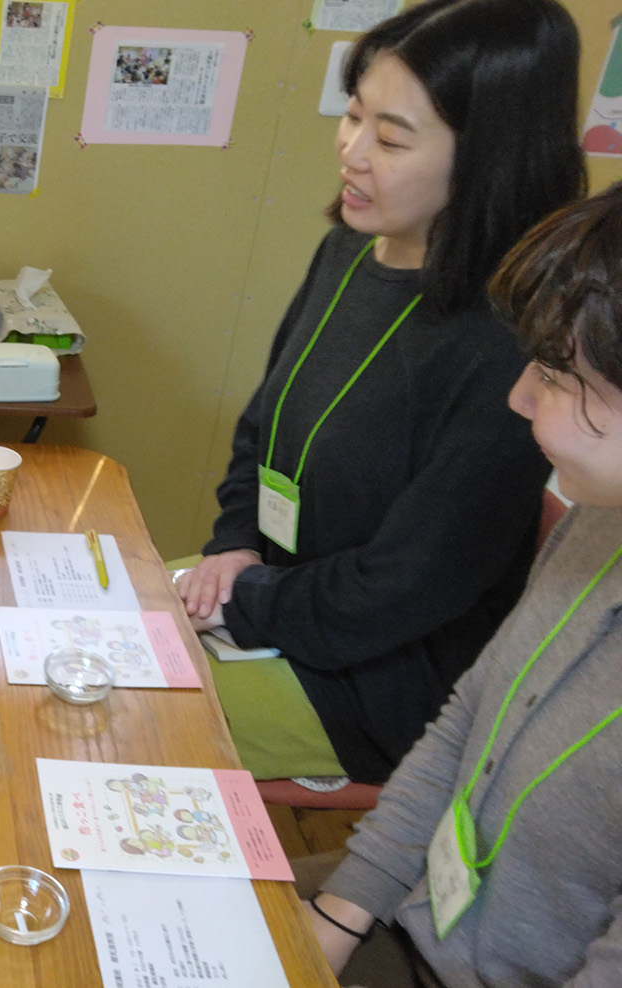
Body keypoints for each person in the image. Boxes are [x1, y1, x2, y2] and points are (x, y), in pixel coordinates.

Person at [175, 0, 584, 785]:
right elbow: (263, 426)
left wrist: (247, 601)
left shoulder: (508, 346)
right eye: (354, 115)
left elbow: (405, 587)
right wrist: (235, 543)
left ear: (488, 157)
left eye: (391, 137)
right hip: (266, 599)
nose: (352, 152)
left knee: (106, 706)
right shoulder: (348, 250)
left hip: (372, 682)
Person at [305, 181, 622, 988]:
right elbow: (467, 721)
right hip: (410, 914)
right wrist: (343, 911)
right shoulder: (599, 521)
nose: (518, 398)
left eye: (555, 377)